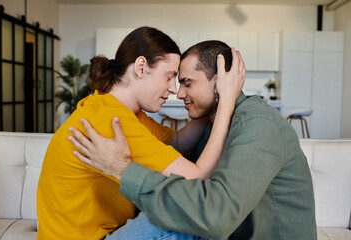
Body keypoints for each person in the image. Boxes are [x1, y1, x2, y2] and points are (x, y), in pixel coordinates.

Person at [69, 40, 317, 240]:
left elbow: (215, 216)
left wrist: (122, 169)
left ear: (219, 81)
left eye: (186, 83)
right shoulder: (214, 122)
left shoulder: (258, 127)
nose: (178, 93)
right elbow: (179, 168)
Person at [36, 27, 245, 239]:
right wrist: (226, 101)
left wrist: (208, 101)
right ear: (141, 67)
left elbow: (179, 142)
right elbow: (197, 177)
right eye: (169, 76)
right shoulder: (112, 121)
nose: (174, 89)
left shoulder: (119, 110)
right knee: (194, 218)